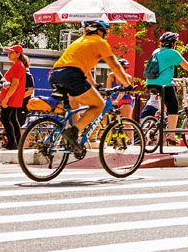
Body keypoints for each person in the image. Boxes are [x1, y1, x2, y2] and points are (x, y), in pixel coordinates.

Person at [49, 20, 132, 156]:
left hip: (55, 75)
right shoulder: (99, 42)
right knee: (98, 105)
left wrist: (93, 84)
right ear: (100, 31)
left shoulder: (79, 41)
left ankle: (72, 141)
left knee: (74, 104)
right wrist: (127, 85)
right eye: (105, 32)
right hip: (72, 75)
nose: (105, 35)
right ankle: (73, 132)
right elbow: (115, 66)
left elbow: (85, 69)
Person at [145, 32, 188, 145]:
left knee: (166, 96)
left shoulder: (156, 51)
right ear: (173, 43)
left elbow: (162, 69)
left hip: (150, 82)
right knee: (173, 107)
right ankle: (171, 134)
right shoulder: (173, 53)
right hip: (163, 84)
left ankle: (159, 114)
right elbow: (187, 66)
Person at [0, 45, 26, 149]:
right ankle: (17, 142)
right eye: (8, 52)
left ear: (18, 54)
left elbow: (14, 84)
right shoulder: (19, 65)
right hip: (14, 97)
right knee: (13, 119)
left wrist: (6, 99)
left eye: (11, 52)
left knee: (5, 118)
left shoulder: (17, 66)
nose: (8, 54)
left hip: (11, 98)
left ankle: (12, 143)